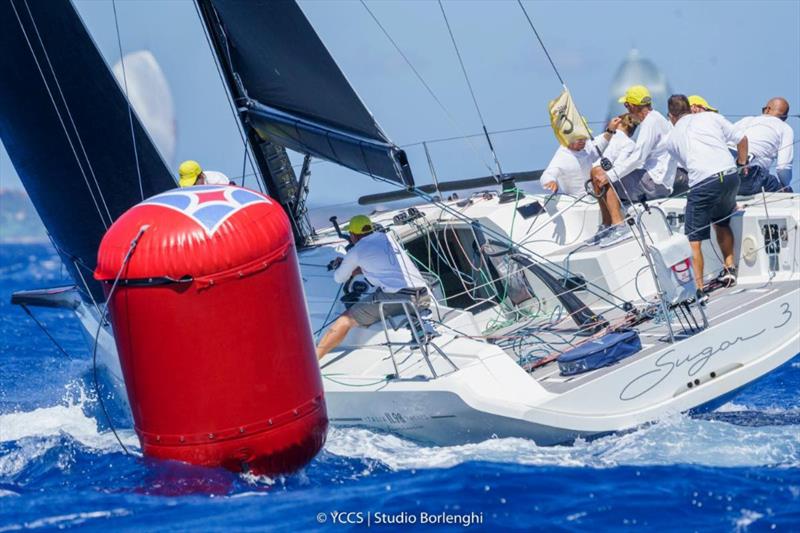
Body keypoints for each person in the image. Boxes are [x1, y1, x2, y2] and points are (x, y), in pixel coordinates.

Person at [316, 215, 430, 359]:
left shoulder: (356, 251)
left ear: (352, 235)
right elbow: (379, 265)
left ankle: (313, 360)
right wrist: (357, 267)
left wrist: (346, 264)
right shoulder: (387, 238)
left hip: (402, 299)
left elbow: (339, 278)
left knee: (345, 320)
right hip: (424, 296)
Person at [665, 94, 748, 294]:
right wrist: (742, 164)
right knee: (721, 221)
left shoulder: (671, 138)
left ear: (671, 116)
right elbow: (742, 139)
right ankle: (729, 268)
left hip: (704, 184)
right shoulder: (711, 117)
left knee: (694, 239)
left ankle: (699, 288)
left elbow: (687, 165)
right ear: (690, 107)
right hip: (730, 177)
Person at [589, 85, 676, 247]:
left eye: (627, 105)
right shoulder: (655, 119)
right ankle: (608, 226)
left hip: (655, 182)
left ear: (634, 106)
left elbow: (638, 157)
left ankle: (618, 226)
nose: (626, 108)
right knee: (598, 173)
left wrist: (610, 175)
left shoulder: (651, 122)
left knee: (599, 174)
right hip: (656, 179)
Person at [732, 97, 794, 194]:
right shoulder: (785, 128)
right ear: (785, 117)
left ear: (767, 109)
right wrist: (785, 186)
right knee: (785, 192)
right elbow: (783, 168)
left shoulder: (746, 120)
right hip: (748, 175)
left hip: (720, 173)